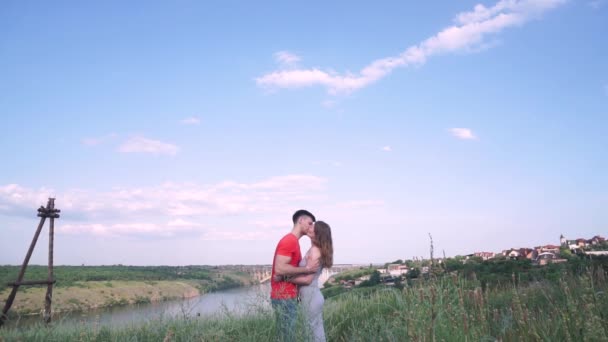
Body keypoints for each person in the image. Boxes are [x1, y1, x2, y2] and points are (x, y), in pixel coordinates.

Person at [271, 209, 319, 341]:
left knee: (286, 335)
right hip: (283, 296)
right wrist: (307, 269)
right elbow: (279, 269)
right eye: (309, 223)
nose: (311, 227)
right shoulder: (289, 241)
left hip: (287, 296)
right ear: (300, 220)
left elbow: (283, 272)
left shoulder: (294, 242)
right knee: (287, 336)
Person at [286, 221, 333, 342]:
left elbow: (307, 280)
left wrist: (286, 278)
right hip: (313, 296)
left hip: (310, 297)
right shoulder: (316, 249)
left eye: (313, 226)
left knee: (310, 333)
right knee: (317, 332)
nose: (309, 227)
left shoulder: (315, 252)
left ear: (318, 233)